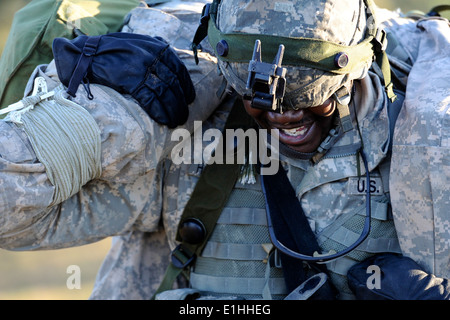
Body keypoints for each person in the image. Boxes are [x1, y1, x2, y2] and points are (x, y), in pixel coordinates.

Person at [0, 0, 449, 300]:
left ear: (358, 60)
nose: (282, 114)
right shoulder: (189, 141)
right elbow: (13, 220)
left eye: (309, 94)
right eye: (259, 95)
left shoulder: (423, 145)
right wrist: (101, 117)